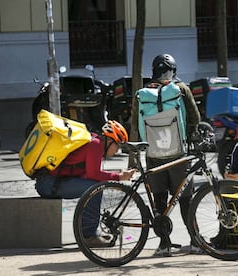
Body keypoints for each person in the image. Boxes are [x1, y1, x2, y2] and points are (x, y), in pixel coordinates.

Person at [131, 53, 201, 256]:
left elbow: (135, 124)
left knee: (159, 200)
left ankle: (164, 245)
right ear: (174, 70)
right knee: (186, 199)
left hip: (153, 155)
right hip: (179, 154)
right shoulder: (180, 90)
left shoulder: (142, 94)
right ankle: (195, 242)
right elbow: (195, 118)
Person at [35, 120, 135, 247]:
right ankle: (88, 236)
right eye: (118, 146)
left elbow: (90, 173)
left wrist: (117, 174)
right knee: (95, 189)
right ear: (109, 141)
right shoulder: (95, 145)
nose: (117, 150)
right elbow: (94, 175)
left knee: (94, 186)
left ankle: (90, 232)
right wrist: (120, 177)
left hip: (49, 182)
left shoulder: (94, 142)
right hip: (49, 184)